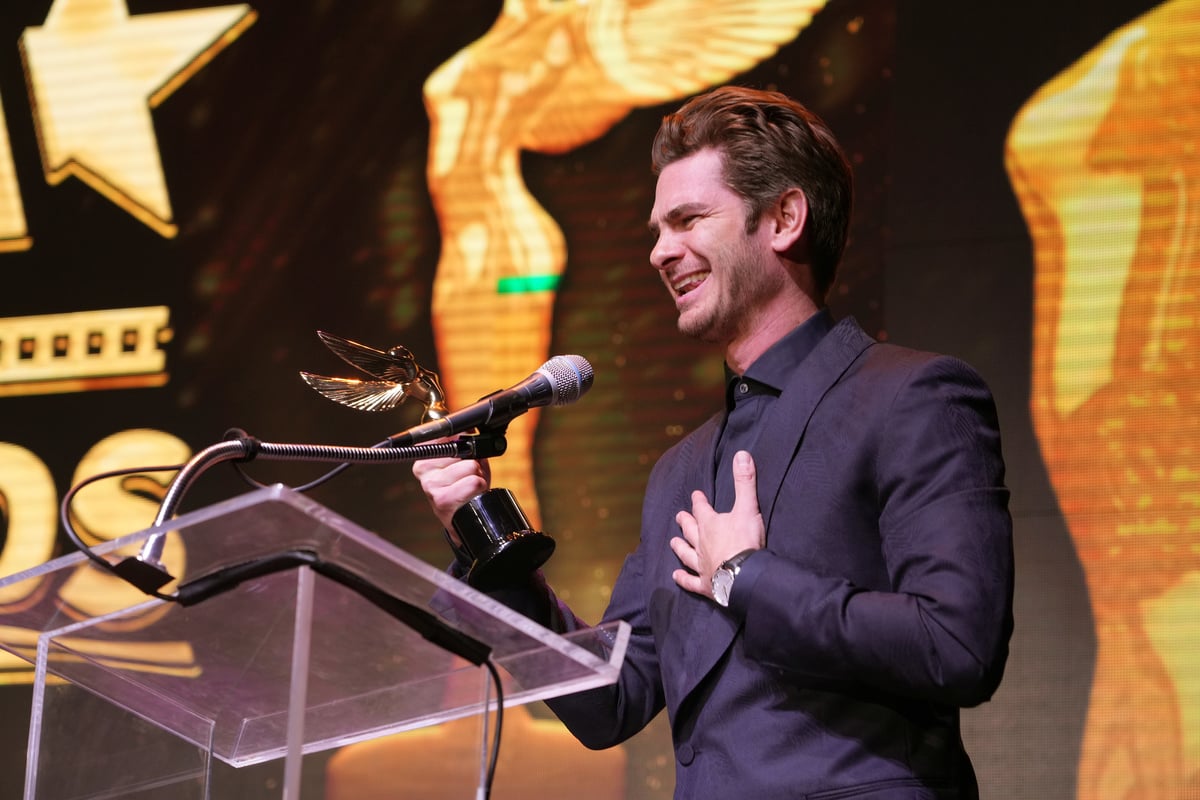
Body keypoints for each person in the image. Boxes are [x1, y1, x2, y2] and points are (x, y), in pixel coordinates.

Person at [413, 85, 1014, 799]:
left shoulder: (914, 397)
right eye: (656, 230)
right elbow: (611, 700)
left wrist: (747, 577)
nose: (660, 252)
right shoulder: (682, 469)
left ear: (785, 218)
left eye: (689, 219)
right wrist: (480, 536)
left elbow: (958, 645)